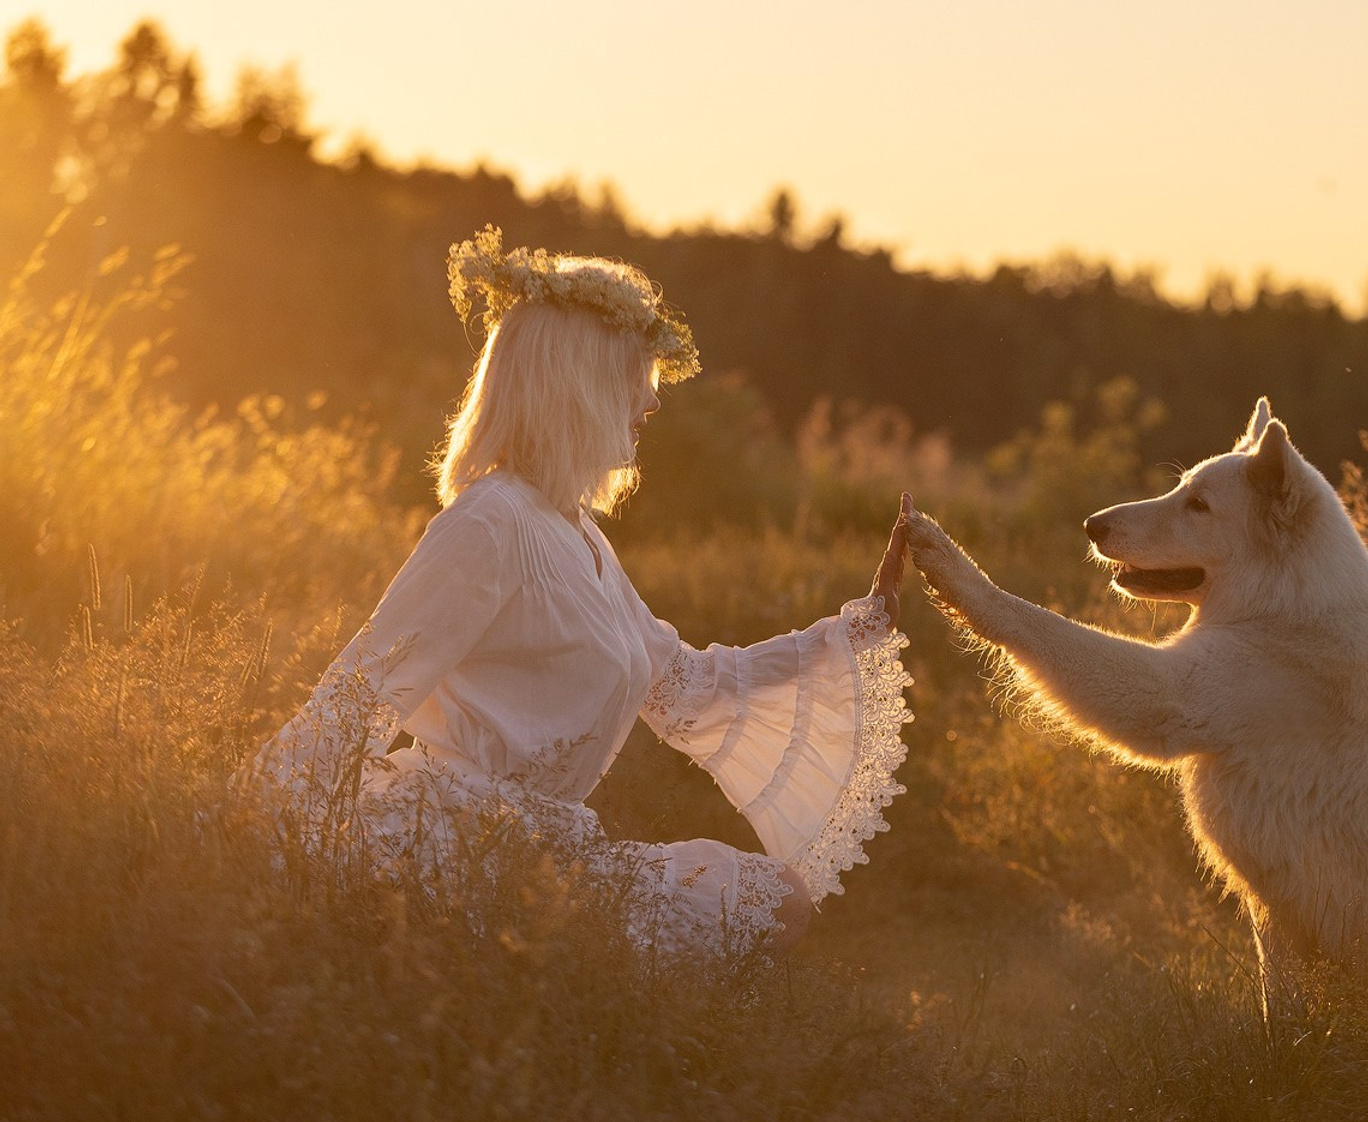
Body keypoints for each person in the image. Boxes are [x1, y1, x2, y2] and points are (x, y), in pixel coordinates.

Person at [252, 226, 912, 957]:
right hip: (457, 842)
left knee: (774, 902)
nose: (651, 404)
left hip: (546, 848)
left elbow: (685, 685)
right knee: (754, 916)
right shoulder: (489, 521)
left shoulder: (579, 533)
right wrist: (243, 830)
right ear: (579, 386)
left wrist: (851, 633)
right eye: (635, 379)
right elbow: (363, 691)